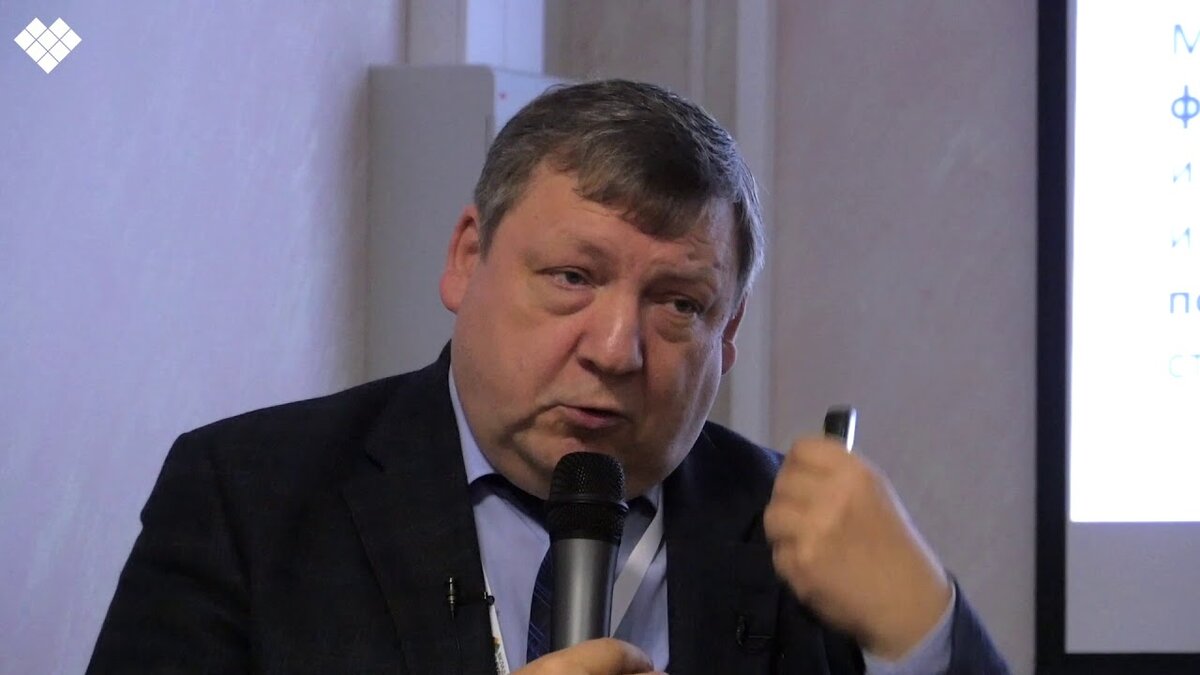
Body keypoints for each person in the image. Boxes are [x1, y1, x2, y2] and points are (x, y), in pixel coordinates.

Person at [87, 79, 1008, 674]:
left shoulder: (792, 537)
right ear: (467, 258)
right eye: (572, 277)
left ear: (728, 337)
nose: (615, 349)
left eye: (678, 303)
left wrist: (927, 630)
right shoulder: (249, 497)